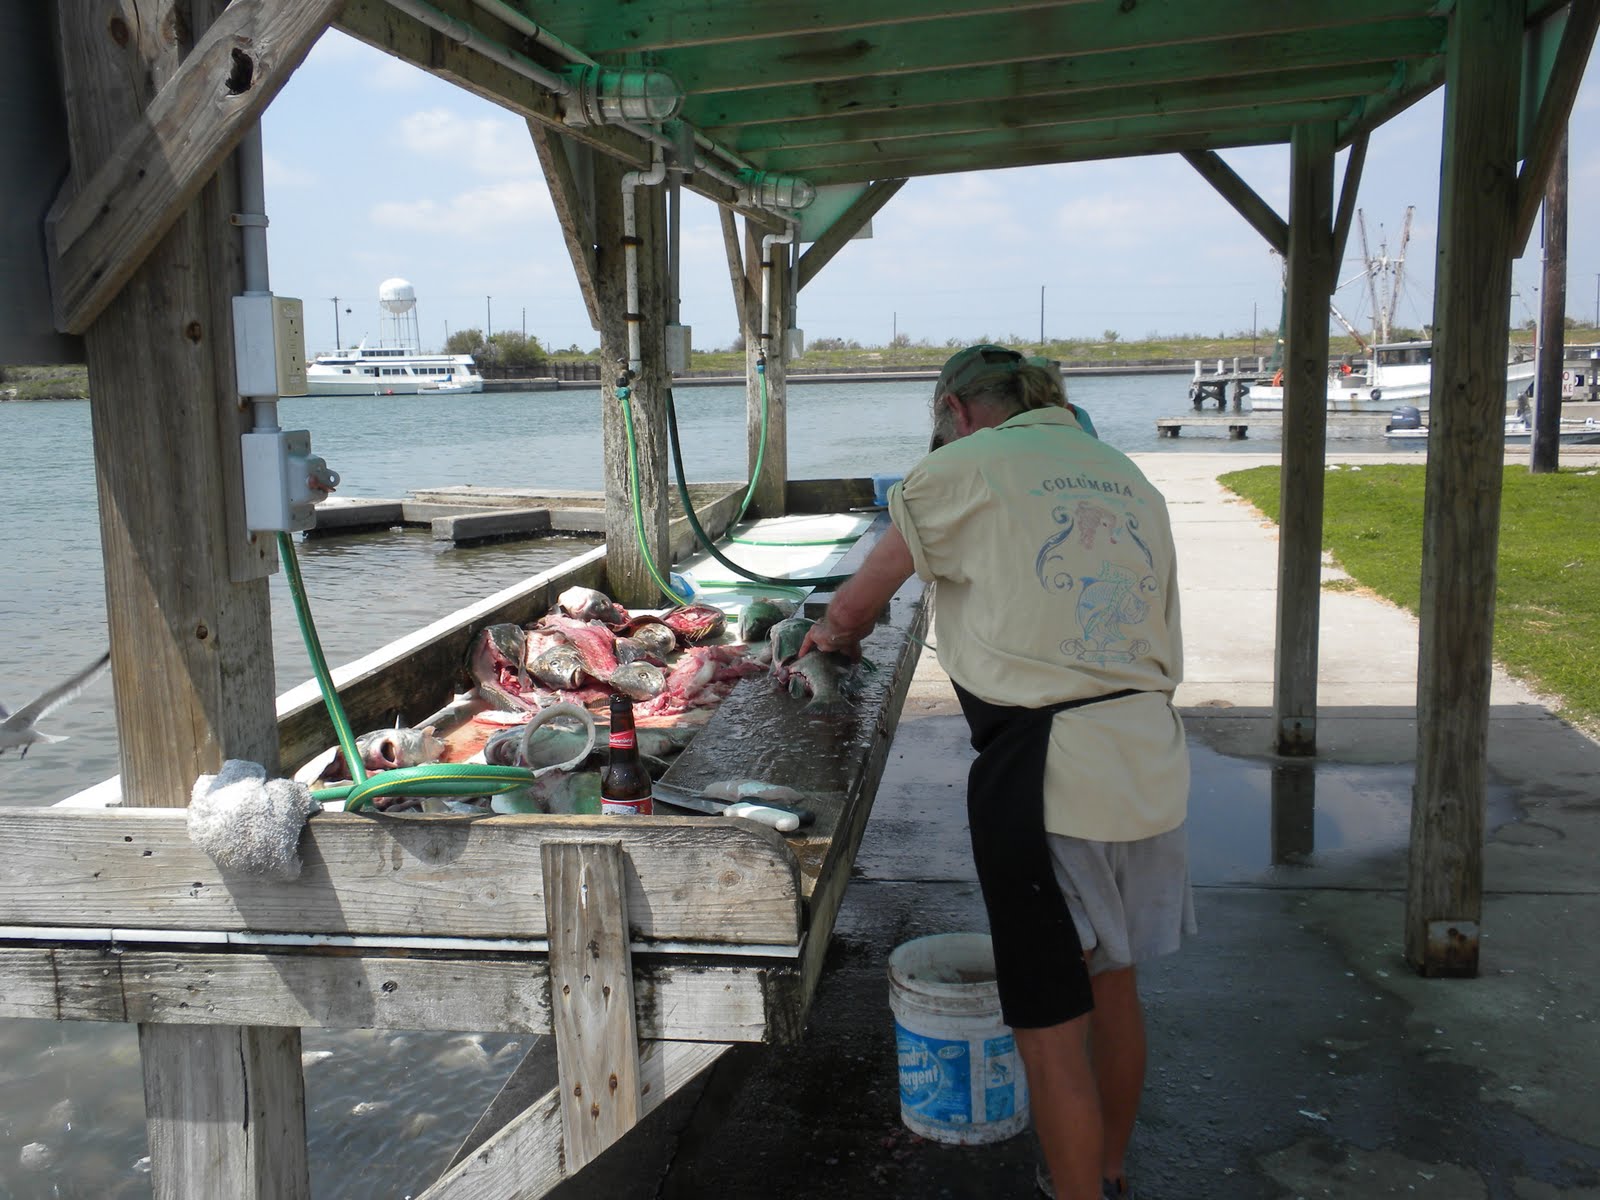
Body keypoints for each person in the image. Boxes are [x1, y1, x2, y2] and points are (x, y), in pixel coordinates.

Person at [801, 345, 1193, 1200]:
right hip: (1150, 757)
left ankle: (1077, 1191)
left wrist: (830, 639)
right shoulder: (1121, 471)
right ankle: (1112, 1173)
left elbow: (861, 597)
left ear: (956, 409)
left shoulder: (963, 466)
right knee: (1115, 982)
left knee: (1048, 1023)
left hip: (1049, 770)